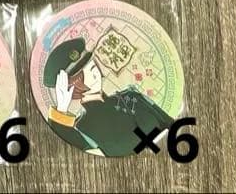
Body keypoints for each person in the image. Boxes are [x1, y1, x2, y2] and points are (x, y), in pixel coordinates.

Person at [43, 37, 175, 157]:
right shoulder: (83, 127)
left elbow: (170, 124)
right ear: (71, 85)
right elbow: (64, 149)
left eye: (92, 65)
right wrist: (61, 109)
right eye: (83, 72)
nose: (94, 71)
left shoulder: (130, 96)